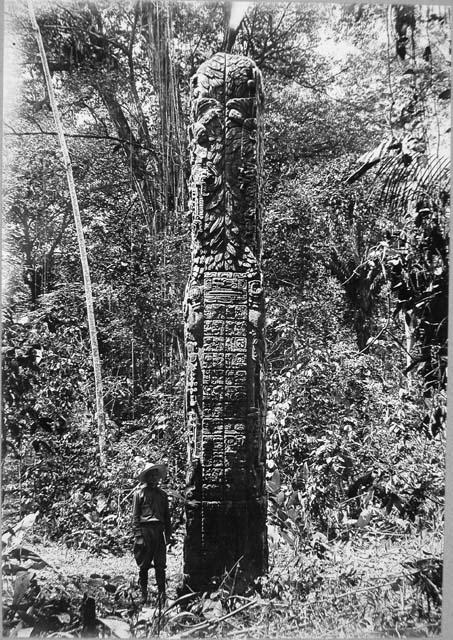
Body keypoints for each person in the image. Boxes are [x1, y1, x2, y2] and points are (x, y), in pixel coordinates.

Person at [132, 461, 171, 605]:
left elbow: (167, 516)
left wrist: (168, 535)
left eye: (156, 476)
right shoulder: (139, 494)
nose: (154, 478)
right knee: (144, 565)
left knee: (160, 565)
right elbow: (135, 517)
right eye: (151, 476)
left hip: (158, 531)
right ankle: (143, 593)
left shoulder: (163, 495)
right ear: (146, 477)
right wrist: (138, 536)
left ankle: (162, 594)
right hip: (145, 530)